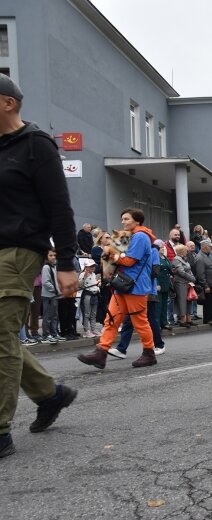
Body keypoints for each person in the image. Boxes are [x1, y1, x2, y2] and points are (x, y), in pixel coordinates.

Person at [0, 74, 79, 458]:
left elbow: (59, 207)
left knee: (0, 335)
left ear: (7, 103)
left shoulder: (36, 145)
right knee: (1, 338)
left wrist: (66, 262)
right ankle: (50, 394)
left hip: (18, 251)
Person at [77, 208, 158, 369]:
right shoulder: (126, 235)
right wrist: (111, 254)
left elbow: (129, 261)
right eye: (122, 219)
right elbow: (111, 258)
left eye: (126, 219)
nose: (123, 222)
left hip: (135, 286)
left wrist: (110, 254)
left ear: (137, 221)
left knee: (139, 321)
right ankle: (101, 352)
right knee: (111, 319)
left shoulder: (141, 236)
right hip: (122, 285)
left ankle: (149, 353)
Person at [107, 240, 165, 358]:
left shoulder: (152, 250)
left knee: (149, 319)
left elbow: (155, 271)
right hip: (134, 291)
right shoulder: (133, 251)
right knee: (129, 320)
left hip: (146, 290)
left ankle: (159, 345)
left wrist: (138, 275)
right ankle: (122, 349)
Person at [193, 238, 212, 325]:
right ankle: (208, 319)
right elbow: (200, 274)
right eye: (210, 246)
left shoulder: (209, 255)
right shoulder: (200, 258)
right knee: (208, 302)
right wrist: (205, 286)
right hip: (209, 284)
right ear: (204, 247)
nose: (211, 248)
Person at [170, 243, 196, 327]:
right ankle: (182, 320)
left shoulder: (184, 259)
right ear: (181, 251)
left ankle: (189, 319)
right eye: (185, 250)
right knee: (182, 301)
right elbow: (181, 272)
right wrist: (192, 278)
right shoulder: (176, 259)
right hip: (180, 283)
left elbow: (189, 269)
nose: (187, 251)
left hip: (187, 282)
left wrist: (192, 278)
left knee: (189, 300)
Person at [78, 259, 100, 337]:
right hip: (87, 295)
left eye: (93, 266)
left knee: (94, 314)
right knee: (87, 314)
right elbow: (79, 284)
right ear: (86, 267)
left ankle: (93, 329)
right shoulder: (82, 274)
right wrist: (84, 276)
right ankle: (86, 330)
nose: (93, 268)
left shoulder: (94, 274)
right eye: (90, 266)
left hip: (95, 294)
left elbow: (95, 284)